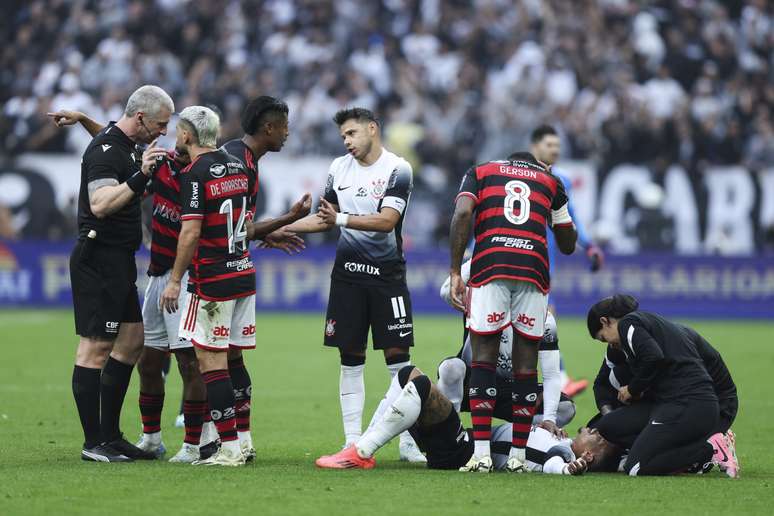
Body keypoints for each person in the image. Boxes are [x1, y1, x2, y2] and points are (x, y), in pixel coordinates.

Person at [282, 107, 425, 462]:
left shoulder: (397, 168)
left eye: (352, 133)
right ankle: (353, 440)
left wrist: (341, 218)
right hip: (347, 277)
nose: (346, 141)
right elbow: (322, 219)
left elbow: (388, 221)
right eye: (343, 136)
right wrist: (278, 228)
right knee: (351, 360)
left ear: (372, 129)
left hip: (387, 277)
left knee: (399, 362)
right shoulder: (337, 168)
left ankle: (406, 441)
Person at [448, 152, 577, 472]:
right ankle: (518, 457)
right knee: (525, 365)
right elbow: (567, 242)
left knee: (483, 358)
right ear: (537, 166)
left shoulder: (480, 172)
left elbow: (463, 213)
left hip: (490, 265)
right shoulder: (550, 181)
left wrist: (454, 271)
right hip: (533, 271)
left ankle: (480, 455)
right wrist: (556, 204)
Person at [68, 85, 173, 462]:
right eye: (160, 124)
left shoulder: (123, 144)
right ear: (142, 118)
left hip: (119, 260)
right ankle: (93, 442)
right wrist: (140, 178)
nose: (164, 131)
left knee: (131, 341)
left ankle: (111, 436)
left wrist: (82, 119)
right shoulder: (108, 152)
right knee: (95, 348)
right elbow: (99, 204)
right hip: (98, 257)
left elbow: (112, 137)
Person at [158, 106, 252, 466]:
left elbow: (191, 230)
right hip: (242, 270)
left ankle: (228, 448)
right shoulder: (237, 165)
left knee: (210, 362)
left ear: (186, 135)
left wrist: (175, 280)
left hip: (212, 278)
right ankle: (241, 441)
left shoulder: (194, 172)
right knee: (232, 357)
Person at [316, 365, 618, 475]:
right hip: (464, 443)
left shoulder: (561, 455)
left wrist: (570, 468)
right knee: (409, 374)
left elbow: (556, 465)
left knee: (421, 386)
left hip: (461, 452)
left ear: (588, 455)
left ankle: (360, 453)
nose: (589, 429)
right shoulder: (562, 441)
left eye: (596, 436)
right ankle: (362, 447)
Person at [587, 294, 740, 477]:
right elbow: (602, 383)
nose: (610, 345)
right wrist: (610, 412)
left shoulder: (641, 330)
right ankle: (665, 451)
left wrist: (633, 389)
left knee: (638, 465)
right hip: (672, 402)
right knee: (608, 424)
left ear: (606, 321)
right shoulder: (630, 340)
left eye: (604, 338)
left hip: (709, 404)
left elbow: (659, 362)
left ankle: (709, 447)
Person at [437, 260, 575, 434]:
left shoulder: (544, 318)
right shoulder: (479, 299)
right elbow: (446, 291)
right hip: (471, 382)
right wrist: (483, 255)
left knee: (565, 407)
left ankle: (516, 436)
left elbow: (552, 374)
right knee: (451, 368)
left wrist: (549, 418)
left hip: (514, 389)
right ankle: (452, 433)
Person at [529, 125, 605, 397]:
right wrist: (471, 246)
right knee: (541, 318)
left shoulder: (560, 181)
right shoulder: (522, 174)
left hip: (542, 261)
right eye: (550, 145)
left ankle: (556, 379)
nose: (555, 151)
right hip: (520, 256)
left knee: (542, 318)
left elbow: (569, 217)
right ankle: (556, 379)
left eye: (558, 146)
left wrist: (589, 246)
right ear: (535, 146)